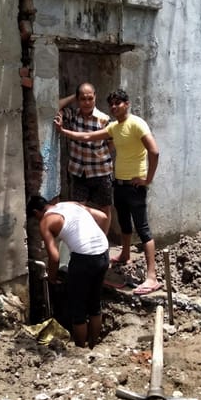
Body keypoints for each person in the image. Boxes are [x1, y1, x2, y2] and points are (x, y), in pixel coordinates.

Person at [55, 89, 161, 296]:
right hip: (119, 183)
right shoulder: (114, 127)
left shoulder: (137, 124)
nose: (114, 107)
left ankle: (152, 276)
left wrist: (147, 179)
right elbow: (88, 136)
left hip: (135, 186)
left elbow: (154, 151)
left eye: (118, 103)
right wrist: (64, 132)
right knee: (124, 223)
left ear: (127, 104)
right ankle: (125, 254)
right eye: (111, 104)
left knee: (143, 229)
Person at [26, 196, 110, 348]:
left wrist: (52, 278)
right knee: (94, 304)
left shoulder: (46, 221)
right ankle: (93, 346)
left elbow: (54, 257)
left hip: (83, 259)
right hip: (103, 252)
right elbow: (103, 217)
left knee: (78, 310)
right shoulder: (69, 204)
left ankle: (80, 351)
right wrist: (97, 242)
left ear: (36, 212)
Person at [58, 83, 113, 229]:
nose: (87, 102)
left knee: (105, 208)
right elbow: (54, 107)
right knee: (78, 209)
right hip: (79, 172)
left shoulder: (104, 119)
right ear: (78, 99)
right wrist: (73, 97)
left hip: (100, 172)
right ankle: (82, 239)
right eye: (83, 99)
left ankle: (103, 240)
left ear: (95, 97)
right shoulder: (73, 115)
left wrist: (100, 156)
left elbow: (111, 142)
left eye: (90, 98)